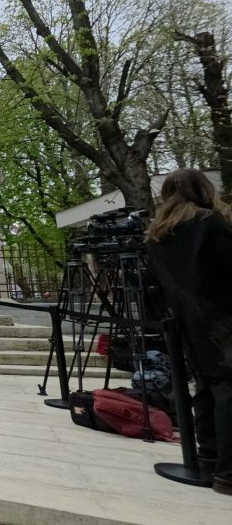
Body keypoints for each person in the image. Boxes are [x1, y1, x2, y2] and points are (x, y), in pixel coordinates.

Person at [145, 168, 232, 496]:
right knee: (227, 392)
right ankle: (228, 471)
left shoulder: (158, 234)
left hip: (189, 323)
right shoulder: (209, 224)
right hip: (222, 321)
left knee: (205, 390)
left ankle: (208, 458)